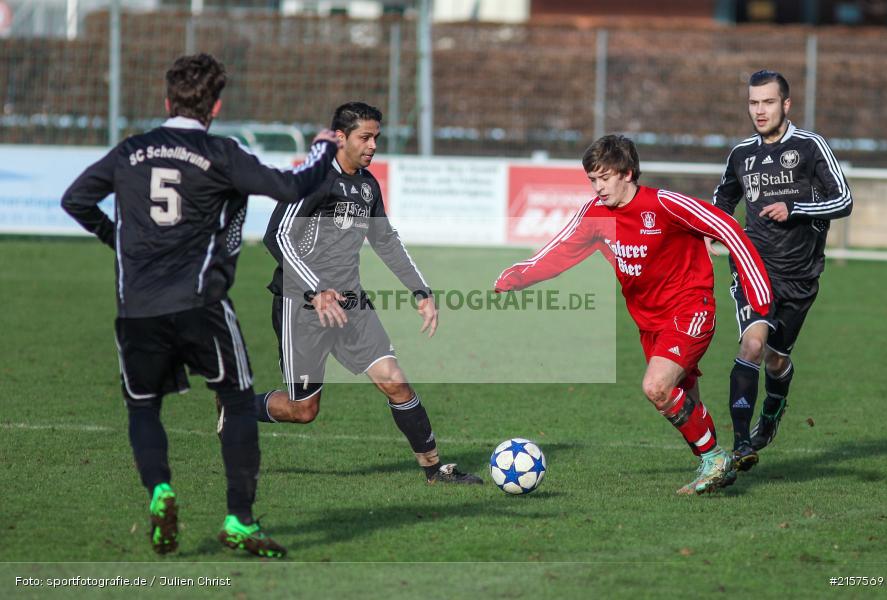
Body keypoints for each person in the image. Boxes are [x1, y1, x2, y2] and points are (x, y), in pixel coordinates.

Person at [61, 53, 341, 558]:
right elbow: (292, 185)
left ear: (167, 100)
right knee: (236, 401)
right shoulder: (218, 152)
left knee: (143, 406)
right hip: (200, 303)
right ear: (214, 105)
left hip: (137, 307)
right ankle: (239, 520)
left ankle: (161, 491)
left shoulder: (130, 151)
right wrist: (323, 148)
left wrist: (115, 238)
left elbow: (75, 200)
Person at [495, 135, 772, 495]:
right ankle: (717, 463)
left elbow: (726, 227)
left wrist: (758, 294)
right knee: (684, 400)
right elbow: (559, 251)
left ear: (627, 173)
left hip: (690, 308)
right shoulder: (596, 215)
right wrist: (518, 276)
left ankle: (716, 459)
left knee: (656, 386)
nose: (598, 187)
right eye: (592, 180)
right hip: (649, 323)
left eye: (604, 178)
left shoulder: (663, 205)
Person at [250, 101, 482, 485]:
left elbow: (386, 242)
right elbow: (277, 236)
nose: (373, 145)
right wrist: (317, 290)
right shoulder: (312, 178)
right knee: (303, 410)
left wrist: (420, 291)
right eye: (365, 137)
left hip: (352, 303)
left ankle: (433, 469)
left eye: (377, 137)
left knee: (395, 379)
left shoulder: (367, 186)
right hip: (303, 307)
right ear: (341, 138)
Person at [711, 70, 853, 470]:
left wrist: (797, 208)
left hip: (801, 275)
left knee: (775, 360)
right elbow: (724, 197)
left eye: (768, 102)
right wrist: (713, 230)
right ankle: (741, 445)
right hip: (753, 267)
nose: (759, 110)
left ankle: (772, 410)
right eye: (754, 103)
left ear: (785, 105)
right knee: (752, 346)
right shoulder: (741, 154)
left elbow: (843, 200)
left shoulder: (810, 147)